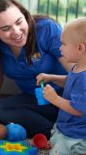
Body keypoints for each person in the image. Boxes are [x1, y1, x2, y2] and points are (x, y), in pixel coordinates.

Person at [0, 0, 73, 139]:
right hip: (35, 101)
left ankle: (64, 129)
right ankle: (57, 132)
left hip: (66, 98)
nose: (16, 32)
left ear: (25, 15)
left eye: (19, 22)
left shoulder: (46, 29)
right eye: (5, 28)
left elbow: (77, 74)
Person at [36, 17, 86, 155]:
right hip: (67, 126)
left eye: (63, 44)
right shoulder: (79, 67)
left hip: (77, 134)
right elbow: (70, 81)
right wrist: (51, 77)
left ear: (80, 48)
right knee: (55, 139)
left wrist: (55, 99)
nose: (59, 48)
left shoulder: (84, 77)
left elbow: (79, 110)